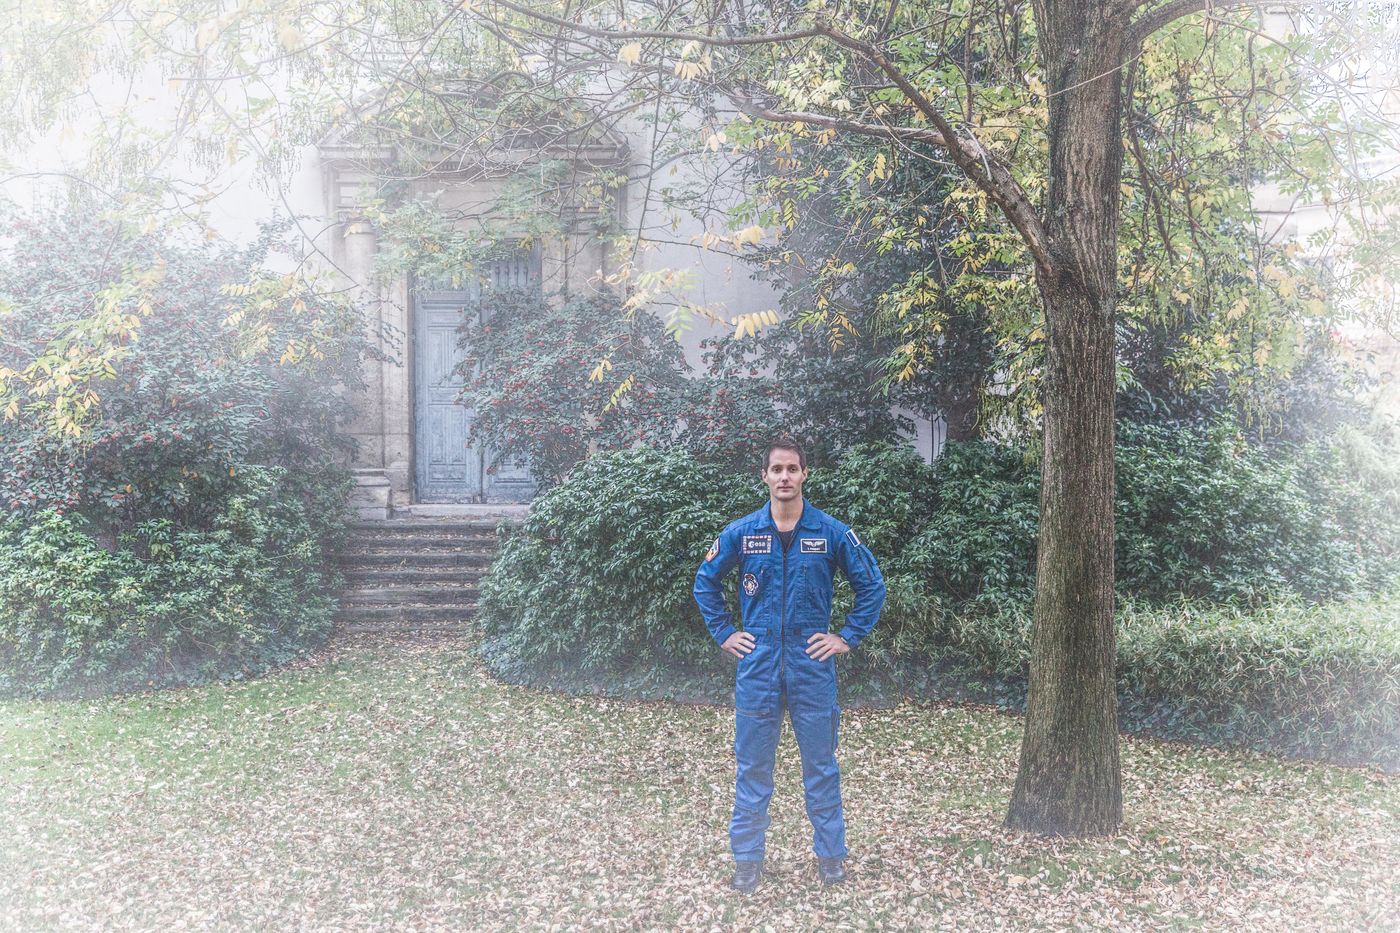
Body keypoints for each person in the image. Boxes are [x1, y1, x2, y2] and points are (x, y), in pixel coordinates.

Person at [693, 437, 886, 893]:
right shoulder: (742, 533)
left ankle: (831, 858)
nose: (784, 477)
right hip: (758, 667)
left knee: (821, 767)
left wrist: (845, 637)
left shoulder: (831, 533)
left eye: (792, 469)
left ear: (804, 475)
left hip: (810, 667)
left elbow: (872, 586)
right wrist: (725, 633)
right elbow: (705, 582)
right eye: (776, 469)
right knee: (753, 768)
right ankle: (747, 860)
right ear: (764, 476)